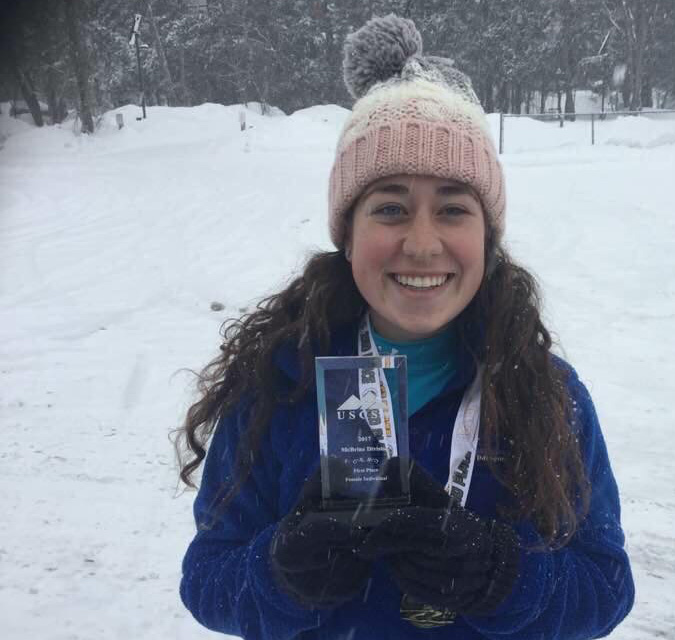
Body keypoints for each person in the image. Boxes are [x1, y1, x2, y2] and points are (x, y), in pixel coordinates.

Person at [176, 14, 634, 640]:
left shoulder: (548, 395)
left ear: (487, 236)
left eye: (452, 209)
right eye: (390, 208)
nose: (422, 243)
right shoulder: (278, 385)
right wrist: (279, 576)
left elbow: (606, 586)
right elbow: (207, 576)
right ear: (348, 233)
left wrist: (507, 579)